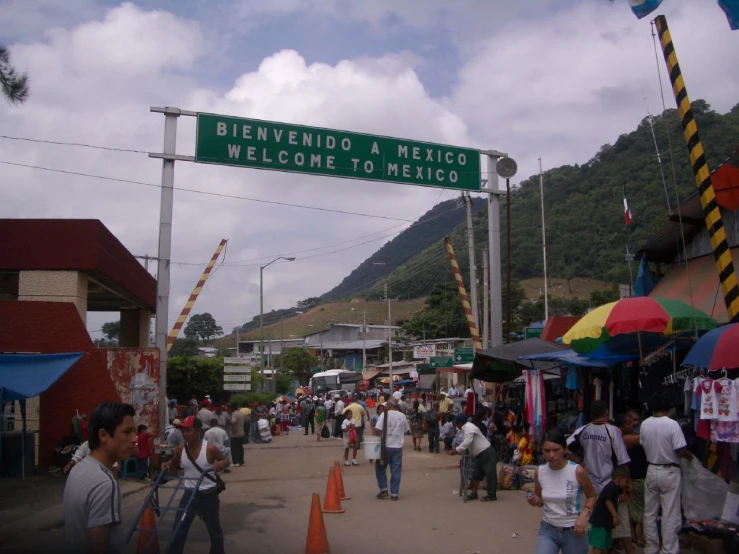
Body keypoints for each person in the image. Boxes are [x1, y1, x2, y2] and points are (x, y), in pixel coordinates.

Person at [63, 401, 137, 554]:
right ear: (103, 435)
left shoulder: (79, 469)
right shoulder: (105, 483)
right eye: (127, 432)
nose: (134, 438)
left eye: (134, 432)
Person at [162, 416, 229, 554]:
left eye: (188, 430)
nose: (184, 433)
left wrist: (221, 463)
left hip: (208, 495)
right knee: (179, 528)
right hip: (189, 495)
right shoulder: (181, 450)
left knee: (214, 530)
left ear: (197, 431)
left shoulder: (210, 449)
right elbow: (174, 465)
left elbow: (226, 460)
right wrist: (166, 465)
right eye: (183, 430)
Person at [527, 428, 597, 554]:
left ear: (565, 449)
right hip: (547, 530)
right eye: (546, 451)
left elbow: (592, 496)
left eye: (556, 450)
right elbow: (540, 500)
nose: (551, 455)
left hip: (574, 531)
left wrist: (583, 516)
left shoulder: (577, 471)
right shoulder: (540, 472)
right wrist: (535, 500)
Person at [640, 391, 693, 554]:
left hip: (651, 470)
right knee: (670, 513)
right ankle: (668, 550)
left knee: (649, 512)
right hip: (669, 471)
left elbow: (643, 443)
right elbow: (680, 450)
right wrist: (690, 456)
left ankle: (651, 547)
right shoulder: (672, 424)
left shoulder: (644, 424)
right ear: (668, 408)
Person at [567, 400, 630, 493]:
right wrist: (627, 480)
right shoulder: (613, 430)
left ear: (591, 415)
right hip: (610, 483)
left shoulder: (582, 430)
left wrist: (580, 462)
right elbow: (622, 459)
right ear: (607, 412)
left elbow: (564, 448)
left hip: (589, 483)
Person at [617, 412, 645, 551]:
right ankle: (639, 536)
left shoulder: (630, 435)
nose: (634, 423)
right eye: (630, 422)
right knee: (640, 508)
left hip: (638, 475)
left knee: (634, 508)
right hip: (635, 476)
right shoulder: (626, 438)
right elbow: (643, 438)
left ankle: (633, 534)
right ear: (622, 426)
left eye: (636, 420)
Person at [452, 414, 497, 502]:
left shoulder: (468, 428)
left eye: (457, 424)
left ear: (459, 424)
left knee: (490, 475)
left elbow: (467, 441)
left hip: (486, 452)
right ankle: (474, 493)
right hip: (478, 454)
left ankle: (492, 495)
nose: (457, 426)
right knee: (475, 475)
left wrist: (457, 450)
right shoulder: (466, 428)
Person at [588, 467, 632, 554]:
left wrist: (628, 488)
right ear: (619, 478)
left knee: (605, 544)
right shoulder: (611, 487)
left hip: (606, 522)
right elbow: (608, 501)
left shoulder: (616, 488)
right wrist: (615, 516)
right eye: (626, 481)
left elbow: (617, 499)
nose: (626, 484)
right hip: (599, 521)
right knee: (598, 544)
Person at [373, 400, 410, 500]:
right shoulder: (402, 416)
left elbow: (377, 429)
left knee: (380, 467)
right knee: (396, 470)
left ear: (389, 405)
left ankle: (384, 489)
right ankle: (394, 494)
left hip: (385, 446)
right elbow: (406, 430)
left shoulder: (384, 415)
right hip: (398, 447)